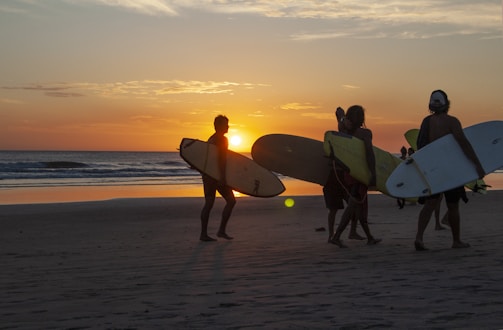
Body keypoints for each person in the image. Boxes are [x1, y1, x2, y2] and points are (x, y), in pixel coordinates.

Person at [414, 90, 485, 251]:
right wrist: (477, 165)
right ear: (447, 103)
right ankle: (456, 240)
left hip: (433, 168)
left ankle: (419, 237)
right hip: (450, 169)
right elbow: (463, 143)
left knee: (430, 204)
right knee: (453, 205)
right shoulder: (452, 122)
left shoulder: (427, 122)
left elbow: (421, 146)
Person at [330, 105, 381, 247]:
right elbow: (370, 154)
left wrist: (341, 117)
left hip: (348, 172)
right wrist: (373, 173)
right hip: (360, 174)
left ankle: (370, 237)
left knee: (360, 206)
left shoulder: (343, 130)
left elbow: (339, 116)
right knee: (354, 205)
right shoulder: (365, 134)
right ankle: (337, 236)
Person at [323, 107, 364, 243]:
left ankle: (352, 231)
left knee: (354, 206)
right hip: (336, 174)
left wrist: (340, 116)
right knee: (334, 208)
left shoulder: (353, 133)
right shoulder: (344, 134)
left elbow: (343, 127)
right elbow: (342, 128)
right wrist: (340, 117)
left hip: (348, 174)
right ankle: (331, 235)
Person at [199, 115, 236, 242]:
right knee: (231, 201)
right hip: (215, 176)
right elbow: (221, 159)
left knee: (209, 204)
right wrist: (222, 178)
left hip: (208, 175)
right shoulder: (222, 139)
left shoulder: (211, 139)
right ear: (218, 126)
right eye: (226, 124)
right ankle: (220, 231)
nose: (228, 127)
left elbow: (206, 158)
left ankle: (204, 234)